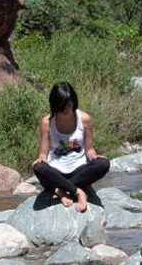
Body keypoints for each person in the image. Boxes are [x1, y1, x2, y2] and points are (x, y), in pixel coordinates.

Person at [32, 82, 110, 213]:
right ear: (55, 105)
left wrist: (95, 157)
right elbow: (43, 154)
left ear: (74, 101)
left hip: (78, 169)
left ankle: (61, 189)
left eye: (69, 104)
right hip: (55, 170)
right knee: (39, 168)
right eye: (62, 106)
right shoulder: (47, 122)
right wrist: (40, 159)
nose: (66, 109)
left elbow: (90, 149)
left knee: (103, 164)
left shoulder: (85, 119)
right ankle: (78, 191)